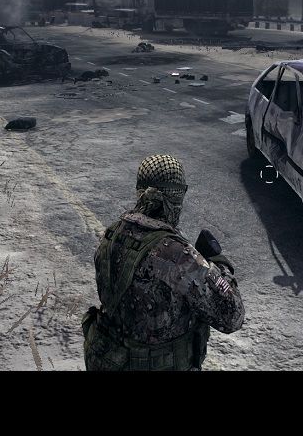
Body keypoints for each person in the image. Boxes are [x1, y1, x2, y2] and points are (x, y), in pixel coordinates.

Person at [82, 154, 244, 371]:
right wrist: (219, 265)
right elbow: (232, 316)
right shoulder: (178, 256)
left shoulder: (112, 234)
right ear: (176, 197)